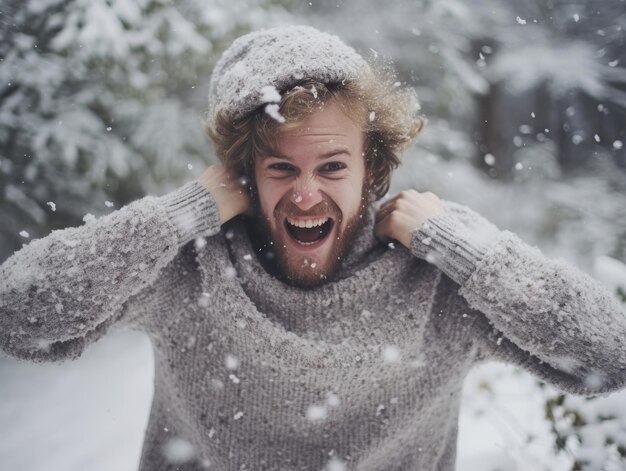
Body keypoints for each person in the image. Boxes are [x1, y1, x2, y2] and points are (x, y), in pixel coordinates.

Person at [1, 24, 625, 471]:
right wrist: (178, 214)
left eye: (331, 166)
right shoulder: (190, 268)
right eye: (280, 168)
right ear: (242, 176)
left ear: (371, 168)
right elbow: (17, 313)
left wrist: (471, 252)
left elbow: (609, 353)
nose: (305, 196)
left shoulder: (438, 282)